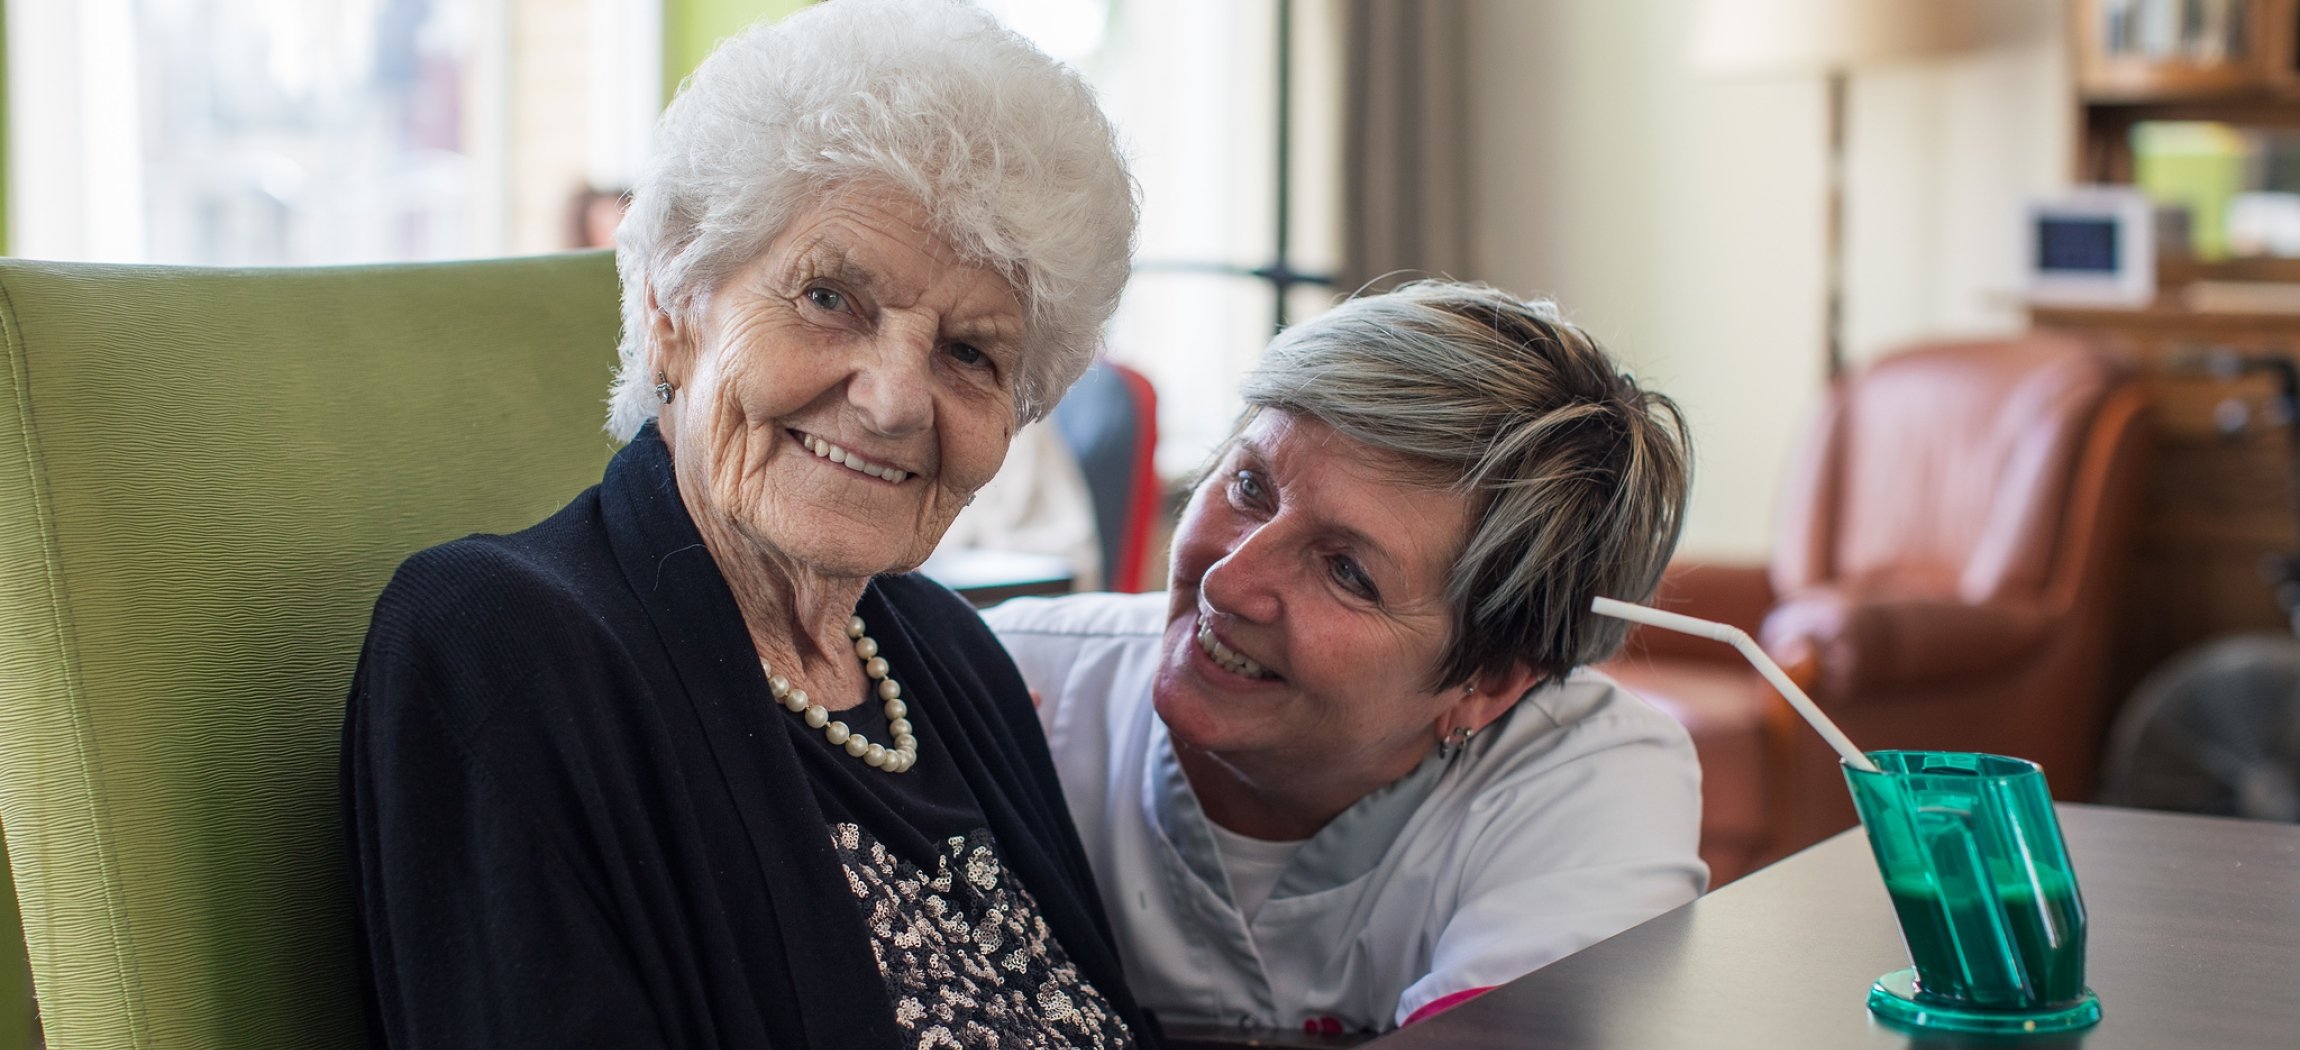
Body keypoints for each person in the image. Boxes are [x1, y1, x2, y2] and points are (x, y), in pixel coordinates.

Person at [340, 2, 1147, 1047]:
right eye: (828, 297)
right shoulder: (500, 645)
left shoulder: (953, 663)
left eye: (970, 354)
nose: (896, 400)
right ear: (674, 303)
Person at [986, 280, 1707, 1035]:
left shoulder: (1584, 778)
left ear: (1488, 680)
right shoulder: (1005, 684)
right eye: (1249, 485)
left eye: (1347, 571)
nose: (1229, 582)